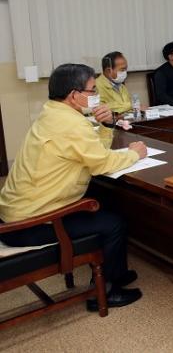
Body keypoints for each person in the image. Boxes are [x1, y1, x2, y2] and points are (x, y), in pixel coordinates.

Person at [0, 64, 147, 310]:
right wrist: (135, 154)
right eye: (92, 90)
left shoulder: (52, 113)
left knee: (107, 201)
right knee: (113, 223)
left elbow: (91, 151)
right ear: (74, 95)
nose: (96, 95)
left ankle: (117, 272)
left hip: (16, 212)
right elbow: (102, 163)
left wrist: (105, 126)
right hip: (29, 224)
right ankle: (105, 292)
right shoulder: (71, 124)